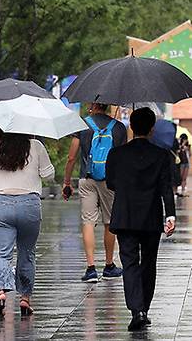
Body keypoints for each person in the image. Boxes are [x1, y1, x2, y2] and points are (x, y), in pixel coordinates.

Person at [105, 108, 176, 331]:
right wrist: (170, 214)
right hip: (151, 217)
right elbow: (166, 187)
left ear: (131, 127)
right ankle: (144, 307)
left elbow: (111, 184)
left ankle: (137, 310)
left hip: (125, 216)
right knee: (149, 263)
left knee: (129, 263)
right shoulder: (162, 155)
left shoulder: (116, 154)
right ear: (152, 128)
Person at [0, 132, 54, 320]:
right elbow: (49, 174)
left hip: (1, 204)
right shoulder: (36, 145)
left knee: (1, 253)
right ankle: (25, 299)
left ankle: (1, 294)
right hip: (29, 204)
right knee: (27, 252)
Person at [62, 103, 127, 283]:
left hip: (87, 178)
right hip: (110, 180)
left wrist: (67, 182)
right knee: (109, 222)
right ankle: (109, 265)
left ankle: (91, 268)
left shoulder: (82, 124)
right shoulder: (119, 128)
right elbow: (123, 157)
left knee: (88, 222)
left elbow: (71, 157)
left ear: (92, 106)